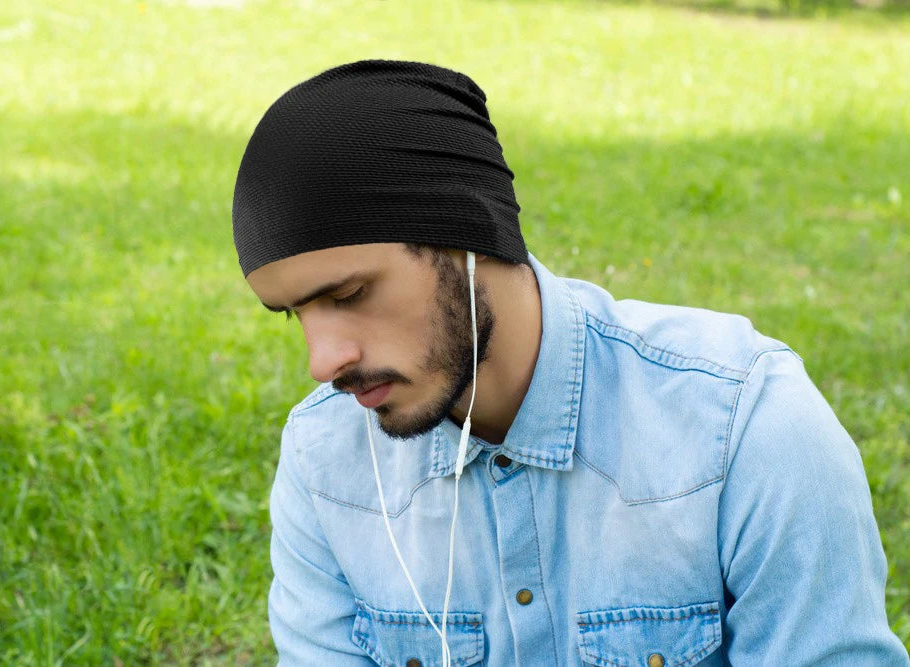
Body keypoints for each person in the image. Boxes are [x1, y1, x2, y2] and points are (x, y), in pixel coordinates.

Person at [231, 60, 909, 666]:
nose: (323, 360)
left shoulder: (745, 425)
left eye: (350, 294)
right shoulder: (325, 460)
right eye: (293, 313)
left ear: (469, 233)